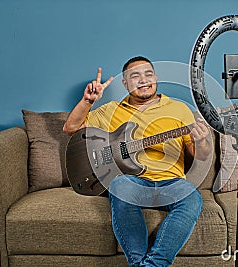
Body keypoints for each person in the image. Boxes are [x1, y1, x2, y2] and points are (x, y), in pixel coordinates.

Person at [63, 56, 211, 266]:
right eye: (135, 76)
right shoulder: (111, 110)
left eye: (148, 74)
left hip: (171, 183)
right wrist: (87, 101)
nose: (143, 80)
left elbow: (202, 155)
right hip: (132, 181)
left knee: (193, 198)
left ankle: (150, 264)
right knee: (120, 185)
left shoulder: (179, 110)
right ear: (125, 83)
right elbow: (71, 129)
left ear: (156, 78)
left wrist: (202, 139)